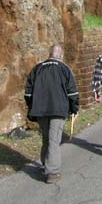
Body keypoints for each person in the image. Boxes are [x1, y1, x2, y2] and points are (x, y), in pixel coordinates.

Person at [24, 44, 78, 184]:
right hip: (58, 110)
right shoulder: (65, 69)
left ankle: (45, 163)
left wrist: (32, 106)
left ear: (49, 54)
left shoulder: (37, 68)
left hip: (40, 110)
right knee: (54, 140)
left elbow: (28, 92)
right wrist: (74, 109)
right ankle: (52, 172)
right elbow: (72, 92)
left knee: (46, 138)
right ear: (60, 55)